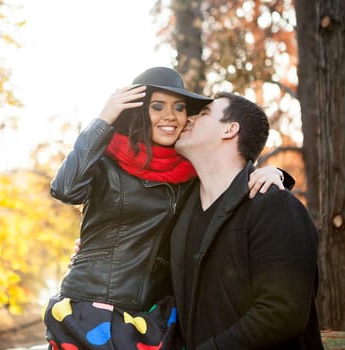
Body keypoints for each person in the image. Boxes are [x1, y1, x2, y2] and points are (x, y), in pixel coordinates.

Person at [43, 67, 287, 350]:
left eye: (179, 107)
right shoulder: (106, 161)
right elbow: (64, 189)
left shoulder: (191, 174)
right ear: (138, 112)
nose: (170, 116)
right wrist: (104, 119)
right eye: (157, 106)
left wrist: (276, 173)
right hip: (92, 307)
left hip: (154, 317)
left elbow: (229, 176)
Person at [171, 92, 324, 349]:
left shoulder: (275, 206)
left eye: (205, 113)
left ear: (230, 130)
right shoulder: (178, 215)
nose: (189, 119)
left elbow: (282, 313)